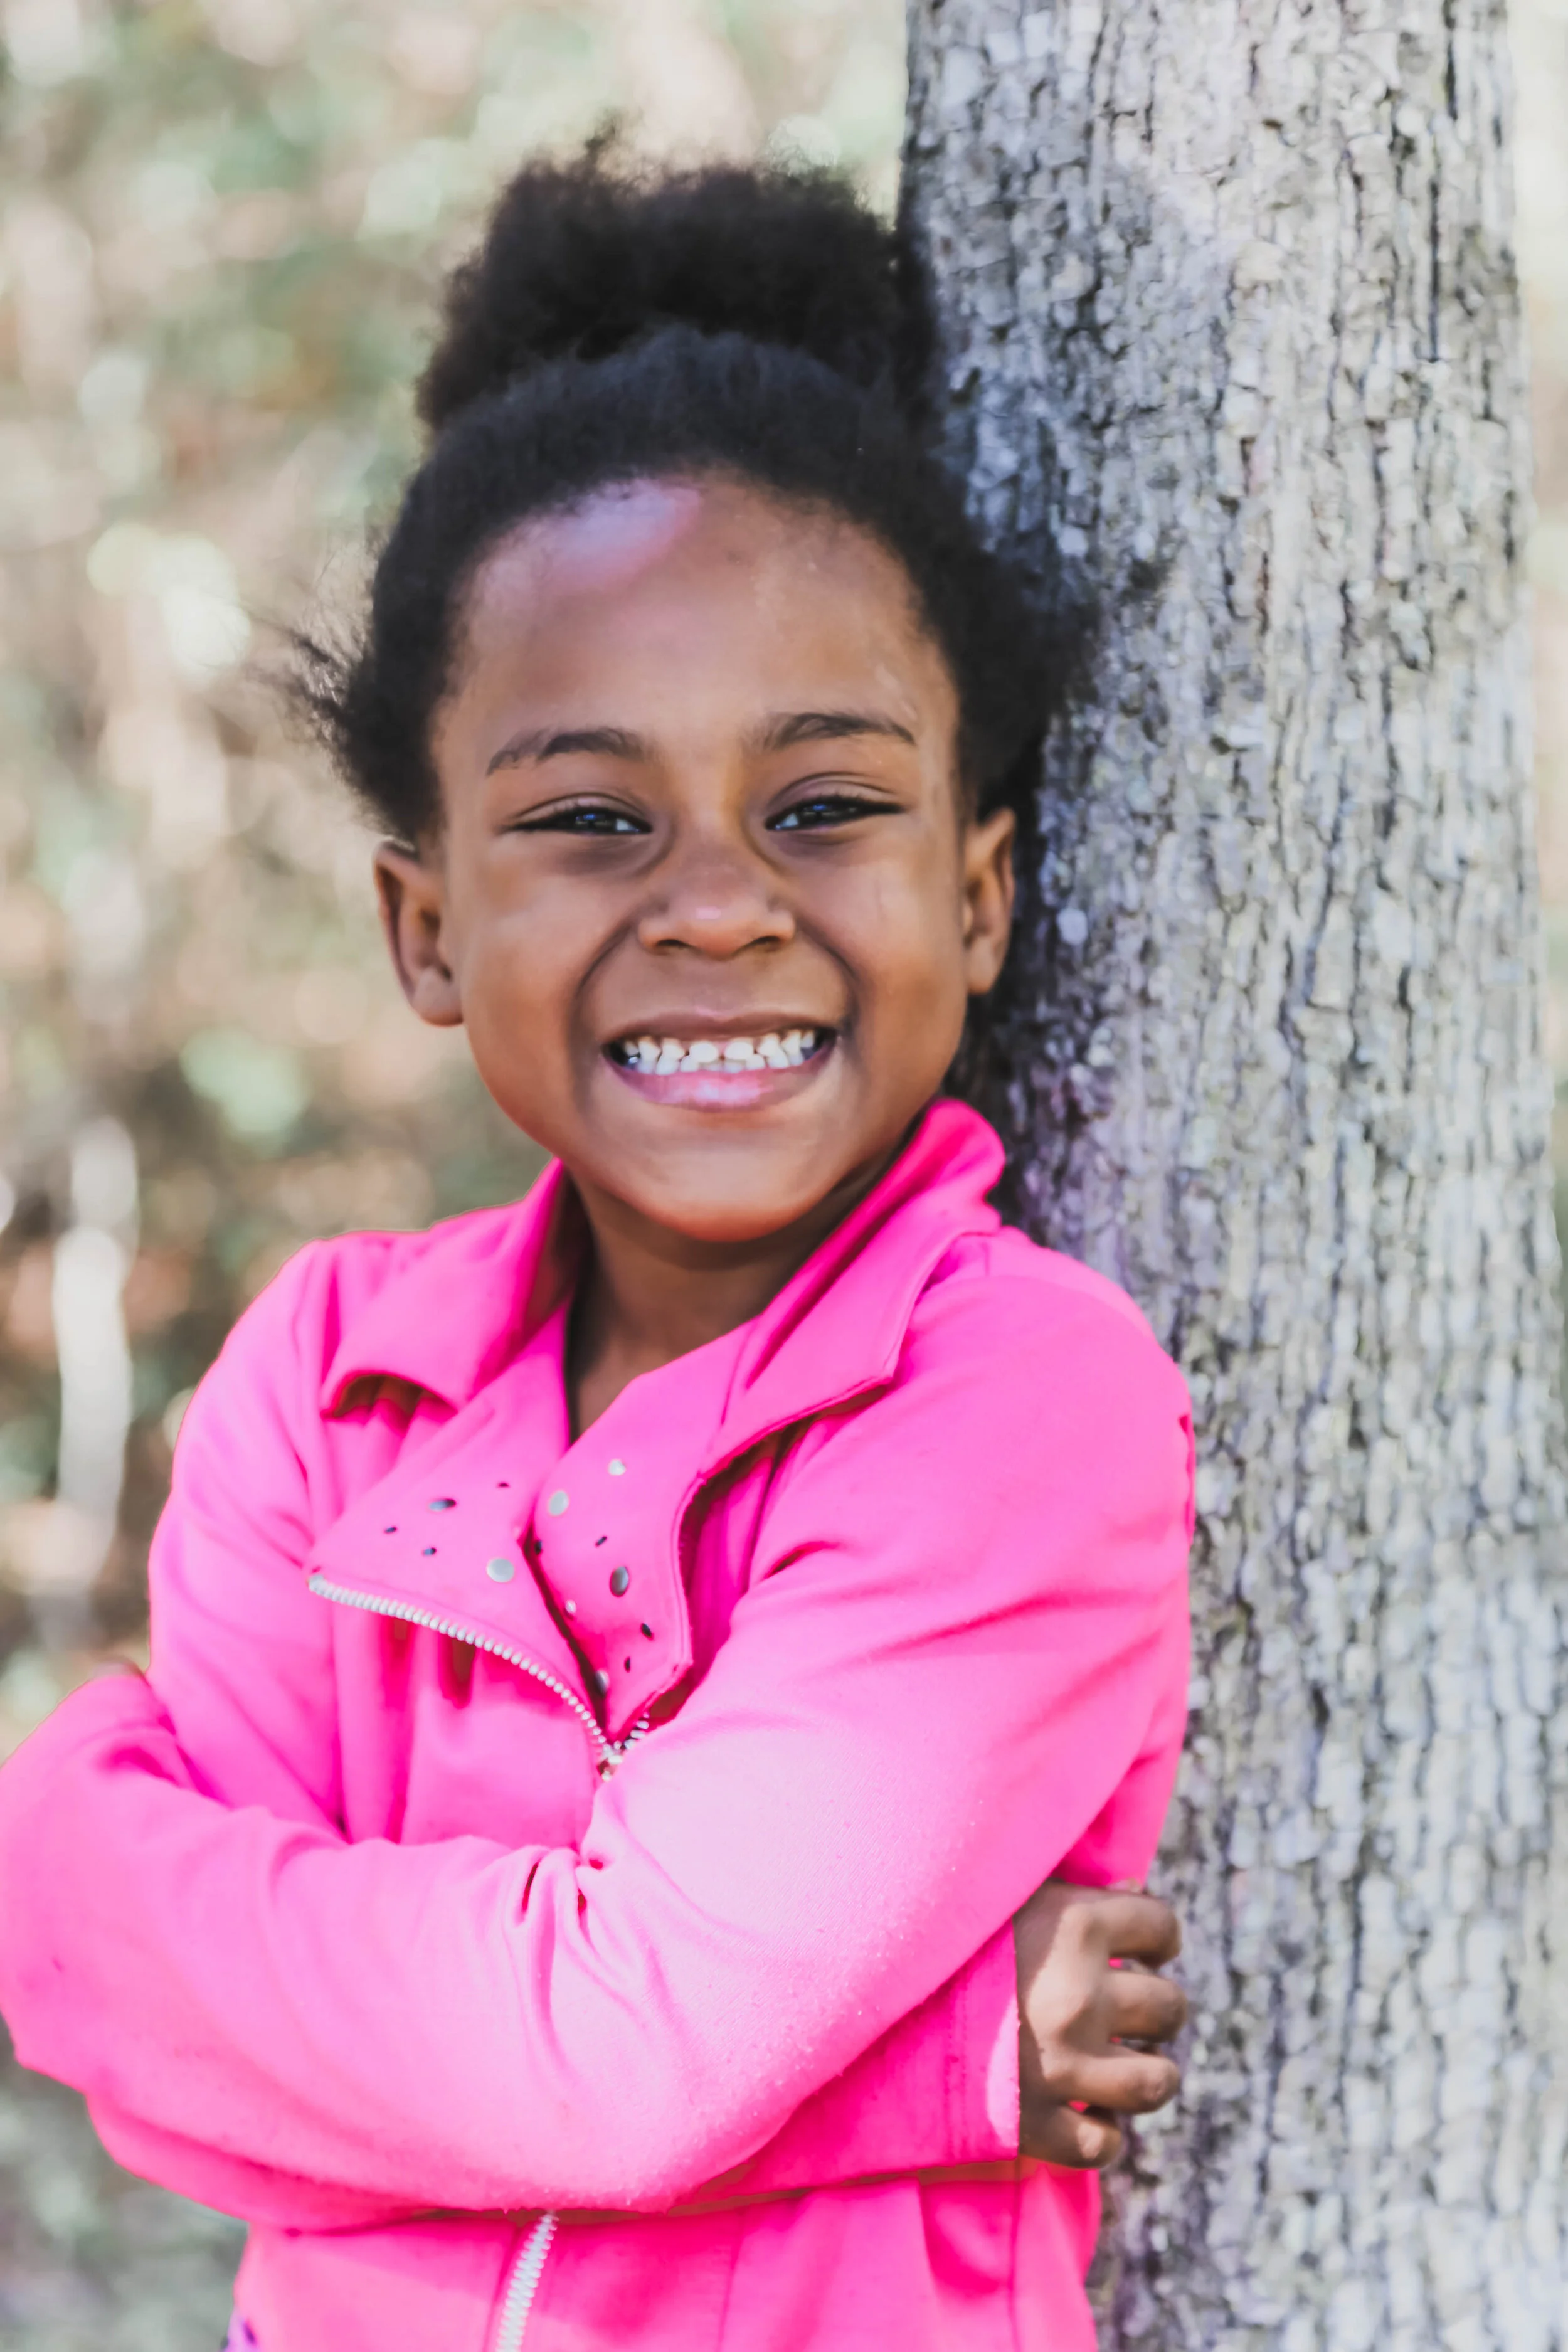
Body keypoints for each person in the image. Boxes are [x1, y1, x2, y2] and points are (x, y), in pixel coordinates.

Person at [0, 154, 1195, 2352]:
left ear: (978, 896)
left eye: (821, 804)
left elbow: (626, 2054)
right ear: (427, 925)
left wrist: (121, 1868)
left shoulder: (1013, 1394)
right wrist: (930, 2075)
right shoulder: (322, 1378)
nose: (718, 903)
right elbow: (124, 2017)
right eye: (586, 817)